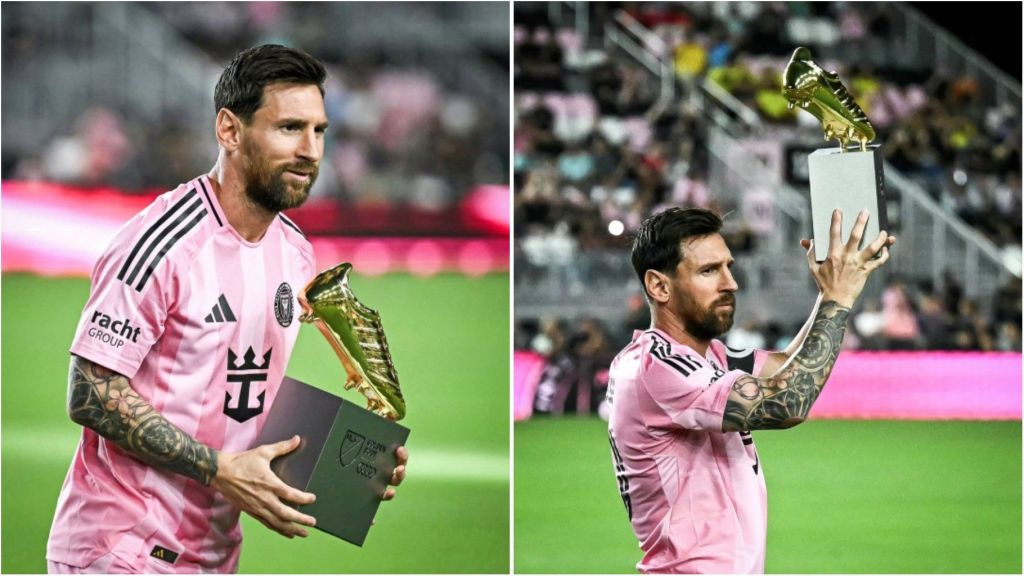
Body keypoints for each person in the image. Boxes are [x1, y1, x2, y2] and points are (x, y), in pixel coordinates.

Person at [46, 44, 408, 573]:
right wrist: (218, 469)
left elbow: (238, 394)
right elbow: (91, 392)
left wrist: (346, 465)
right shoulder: (162, 244)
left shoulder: (294, 251)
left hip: (214, 555)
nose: (310, 150)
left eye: (319, 130)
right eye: (289, 128)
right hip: (123, 549)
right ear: (229, 130)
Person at [607, 207, 894, 573]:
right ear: (659, 286)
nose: (731, 283)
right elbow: (787, 402)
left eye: (728, 267)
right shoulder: (655, 366)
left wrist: (832, 292)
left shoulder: (709, 356)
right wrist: (838, 300)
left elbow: (786, 365)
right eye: (709, 271)